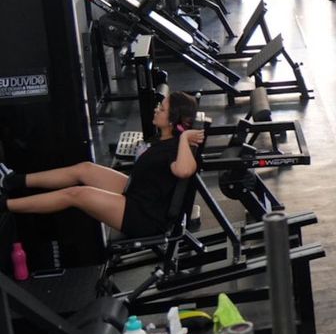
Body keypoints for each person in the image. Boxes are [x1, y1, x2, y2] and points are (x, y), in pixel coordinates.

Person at [0, 93, 204, 236]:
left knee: (75, 194)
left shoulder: (176, 147)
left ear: (173, 119)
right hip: (139, 192)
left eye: (162, 108)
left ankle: (5, 206)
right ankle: (14, 181)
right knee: (85, 169)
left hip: (144, 216)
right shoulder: (164, 139)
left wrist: (184, 138)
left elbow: (184, 170)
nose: (156, 109)